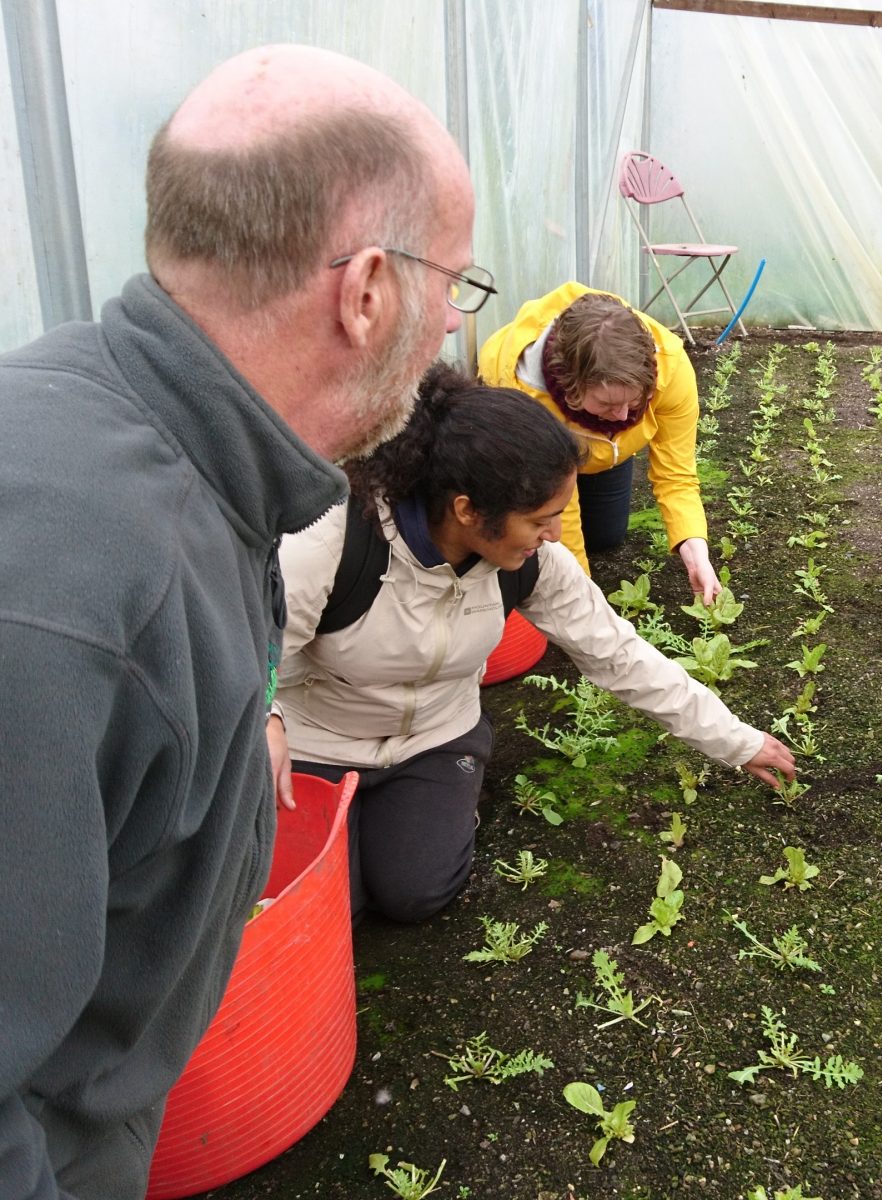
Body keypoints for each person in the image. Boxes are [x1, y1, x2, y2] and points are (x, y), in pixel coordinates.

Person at [0, 45, 482, 1199]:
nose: (453, 329)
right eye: (457, 285)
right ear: (365, 291)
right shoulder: (69, 611)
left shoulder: (158, 443)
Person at [277, 365, 796, 923]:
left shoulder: (533, 564)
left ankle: (441, 802)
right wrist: (268, 721)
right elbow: (245, 657)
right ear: (467, 510)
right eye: (541, 520)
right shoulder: (335, 540)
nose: (553, 536)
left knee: (415, 894)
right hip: (318, 742)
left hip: (434, 734)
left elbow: (618, 653)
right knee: (327, 909)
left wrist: (736, 741)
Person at [478, 283, 718, 602]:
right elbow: (557, 505)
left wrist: (694, 549)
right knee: (535, 536)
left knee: (604, 537)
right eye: (607, 405)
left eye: (633, 404)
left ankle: (597, 458)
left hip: (597, 448)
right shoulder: (526, 397)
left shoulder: (671, 369)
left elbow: (677, 476)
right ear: (570, 388)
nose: (621, 417)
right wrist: (582, 597)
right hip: (531, 444)